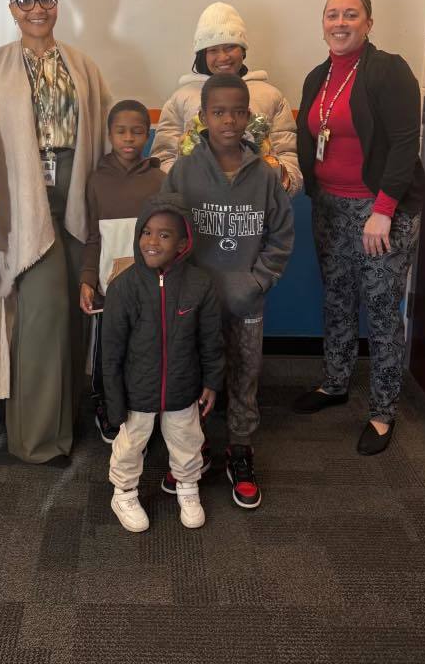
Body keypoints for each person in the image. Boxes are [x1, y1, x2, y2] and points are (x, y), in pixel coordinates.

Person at [0, 0, 110, 464]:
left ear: (57, 3)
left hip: (75, 196)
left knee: (77, 311)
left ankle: (66, 423)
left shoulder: (82, 65)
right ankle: (36, 439)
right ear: (11, 8)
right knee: (41, 318)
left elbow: (105, 137)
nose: (37, 9)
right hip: (22, 202)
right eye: (25, 1)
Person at [292, 0, 424, 455]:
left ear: (369, 23)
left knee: (383, 310)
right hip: (329, 207)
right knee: (338, 299)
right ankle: (336, 383)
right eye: (332, 14)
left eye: (351, 14)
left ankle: (384, 411)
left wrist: (384, 210)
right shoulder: (317, 77)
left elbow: (407, 144)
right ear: (322, 22)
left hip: (379, 213)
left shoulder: (389, 70)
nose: (340, 22)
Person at [163, 73, 294, 509]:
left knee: (244, 375)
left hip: (246, 302)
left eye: (239, 112)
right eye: (219, 112)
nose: (229, 121)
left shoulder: (265, 175)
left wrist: (257, 282)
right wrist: (179, 286)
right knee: (193, 375)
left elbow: (281, 236)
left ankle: (239, 449)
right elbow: (165, 230)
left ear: (249, 116)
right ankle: (193, 452)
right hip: (196, 304)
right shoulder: (183, 171)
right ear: (202, 117)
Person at [103, 193, 224, 532]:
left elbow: (211, 340)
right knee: (130, 446)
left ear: (183, 243)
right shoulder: (123, 288)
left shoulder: (199, 285)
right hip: (136, 391)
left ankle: (187, 486)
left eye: (164, 235)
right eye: (146, 232)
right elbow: (110, 353)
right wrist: (115, 404)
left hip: (182, 387)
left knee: (187, 441)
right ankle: (124, 492)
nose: (152, 241)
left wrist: (212, 381)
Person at [79, 99, 164, 443]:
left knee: (142, 348)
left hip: (147, 286)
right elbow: (92, 236)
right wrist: (86, 279)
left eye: (138, 131)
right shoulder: (96, 180)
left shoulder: (160, 180)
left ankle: (139, 406)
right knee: (106, 351)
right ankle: (105, 404)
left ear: (148, 134)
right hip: (107, 287)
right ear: (109, 134)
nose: (129, 138)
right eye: (121, 131)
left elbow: (167, 236)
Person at [151, 2, 302, 195]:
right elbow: (163, 156)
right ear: (202, 55)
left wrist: (277, 186)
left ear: (243, 50)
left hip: (255, 210)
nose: (223, 57)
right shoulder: (181, 99)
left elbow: (288, 155)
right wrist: (182, 189)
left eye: (230, 47)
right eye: (213, 50)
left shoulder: (270, 96)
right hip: (197, 210)